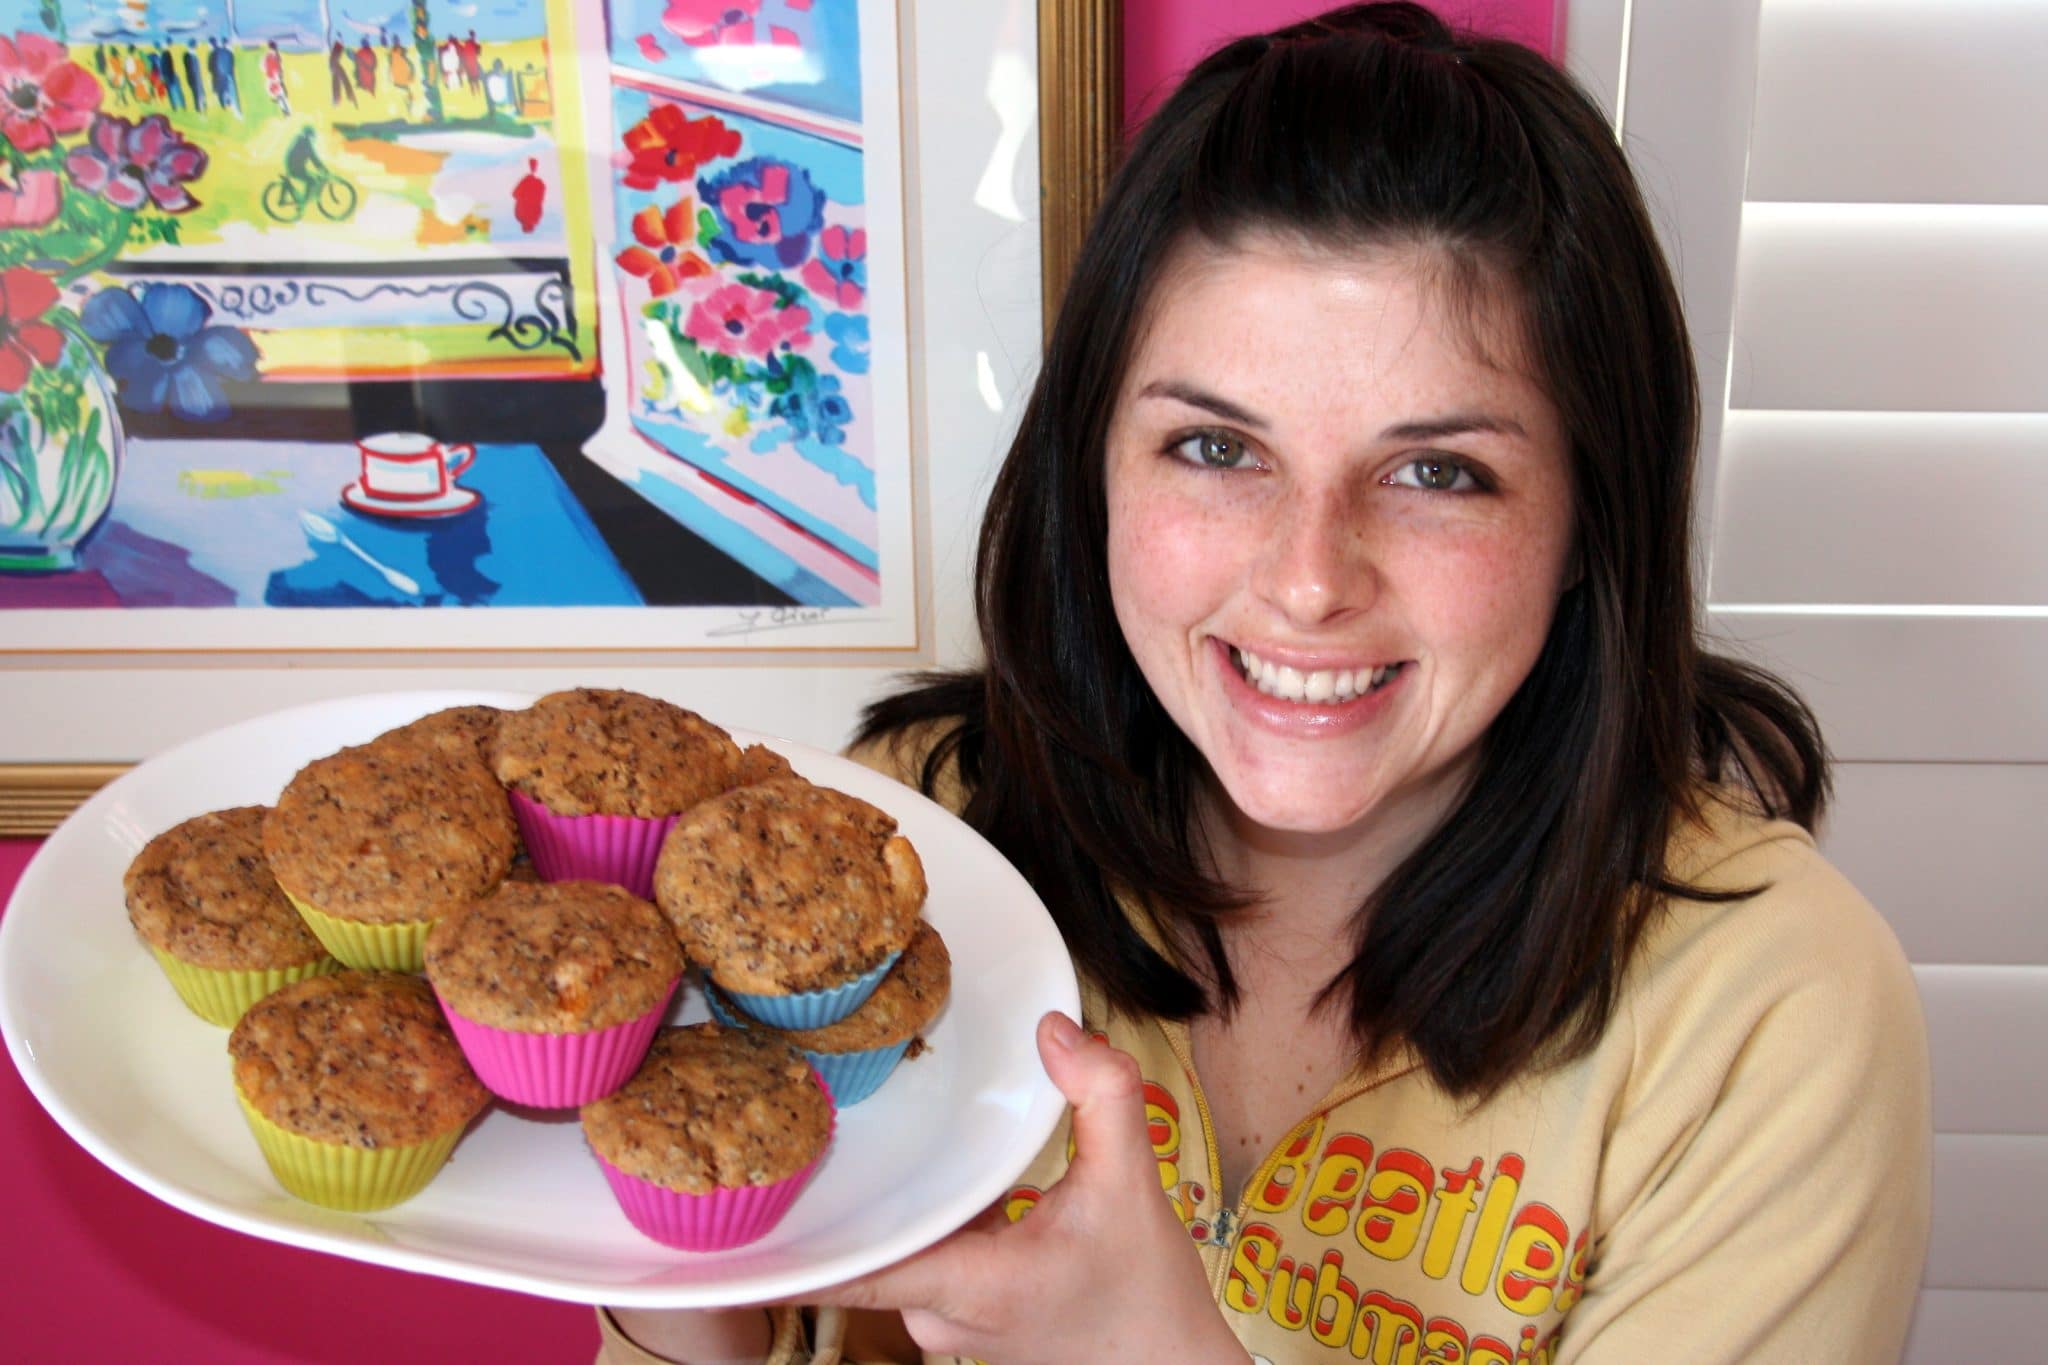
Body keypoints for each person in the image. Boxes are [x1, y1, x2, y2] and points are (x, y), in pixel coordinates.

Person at [598, 5, 1931, 1363]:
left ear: (1592, 519)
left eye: (1438, 472)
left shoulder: (1774, 1013)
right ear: (1095, 467)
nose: (1307, 580)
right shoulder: (905, 841)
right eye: (1217, 448)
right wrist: (676, 1273)